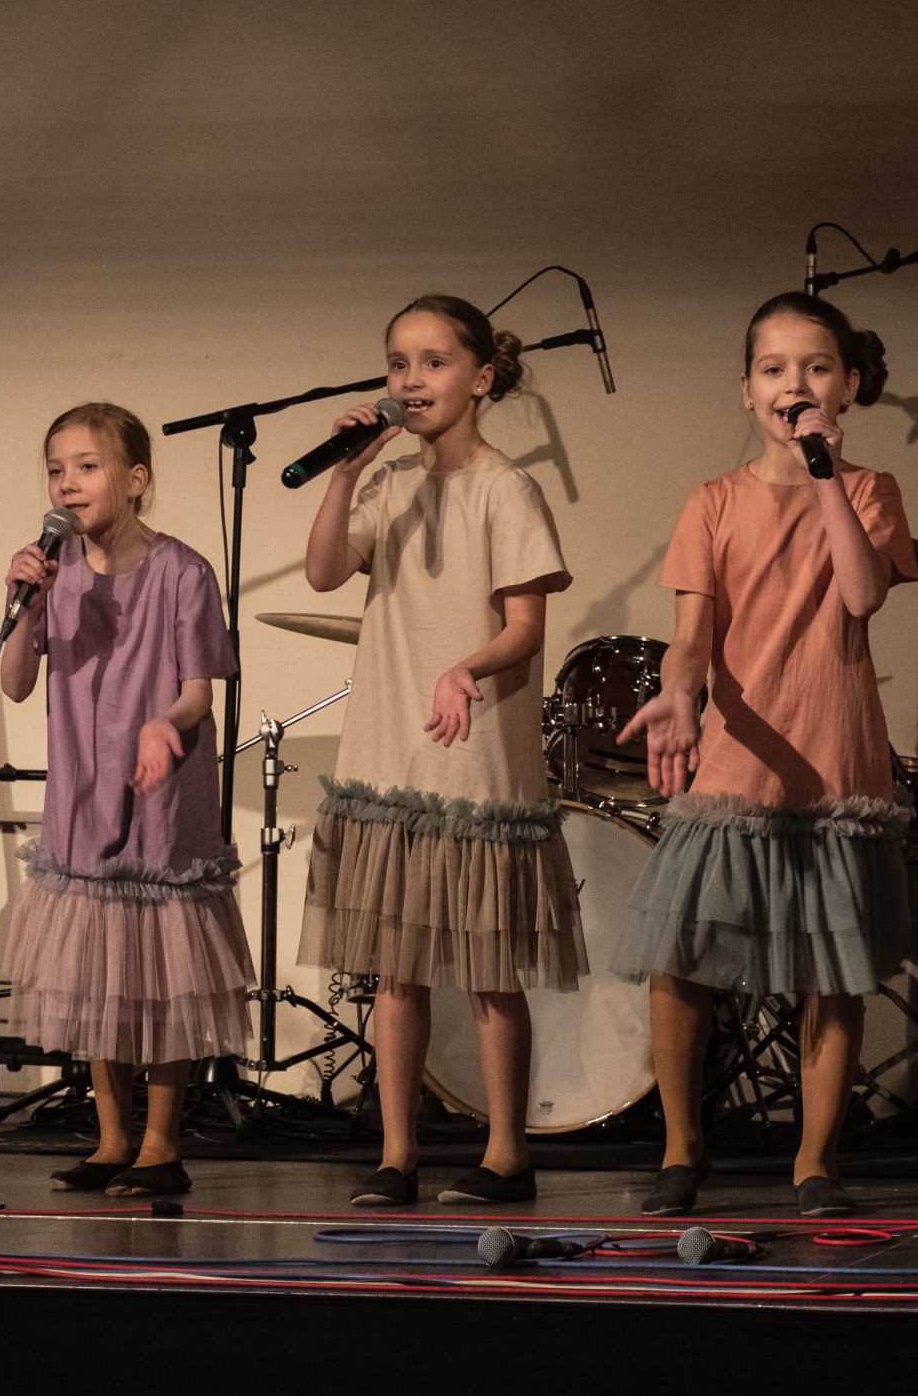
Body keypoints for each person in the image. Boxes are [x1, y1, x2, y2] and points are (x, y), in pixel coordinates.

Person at [613, 292, 918, 1219]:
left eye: (817, 367)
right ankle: (681, 1146)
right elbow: (691, 639)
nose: (796, 383)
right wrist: (678, 693)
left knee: (832, 970)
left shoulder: (869, 489)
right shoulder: (713, 500)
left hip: (837, 759)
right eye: (774, 367)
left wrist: (825, 474)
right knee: (682, 957)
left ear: (849, 386)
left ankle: (815, 1161)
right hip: (738, 762)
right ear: (746, 389)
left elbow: (862, 593)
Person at [298, 295, 576, 1208]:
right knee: (396, 968)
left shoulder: (506, 487)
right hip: (390, 754)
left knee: (490, 970)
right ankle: (397, 1153)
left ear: (481, 377)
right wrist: (345, 472)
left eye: (433, 362)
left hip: (474, 754)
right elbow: (324, 571)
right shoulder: (387, 485)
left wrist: (466, 666)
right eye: (398, 363)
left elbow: (526, 626)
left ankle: (506, 1153)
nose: (410, 380)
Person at [0, 403, 250, 1198]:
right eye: (55, 469)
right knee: (96, 970)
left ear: (135, 479)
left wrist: (164, 725)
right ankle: (112, 1139)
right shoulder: (54, 570)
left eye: (87, 466)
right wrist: (23, 603)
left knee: (162, 974)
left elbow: (198, 690)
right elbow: (15, 682)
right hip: (82, 796)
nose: (67, 483)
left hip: (160, 795)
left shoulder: (183, 571)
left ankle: (161, 1144)